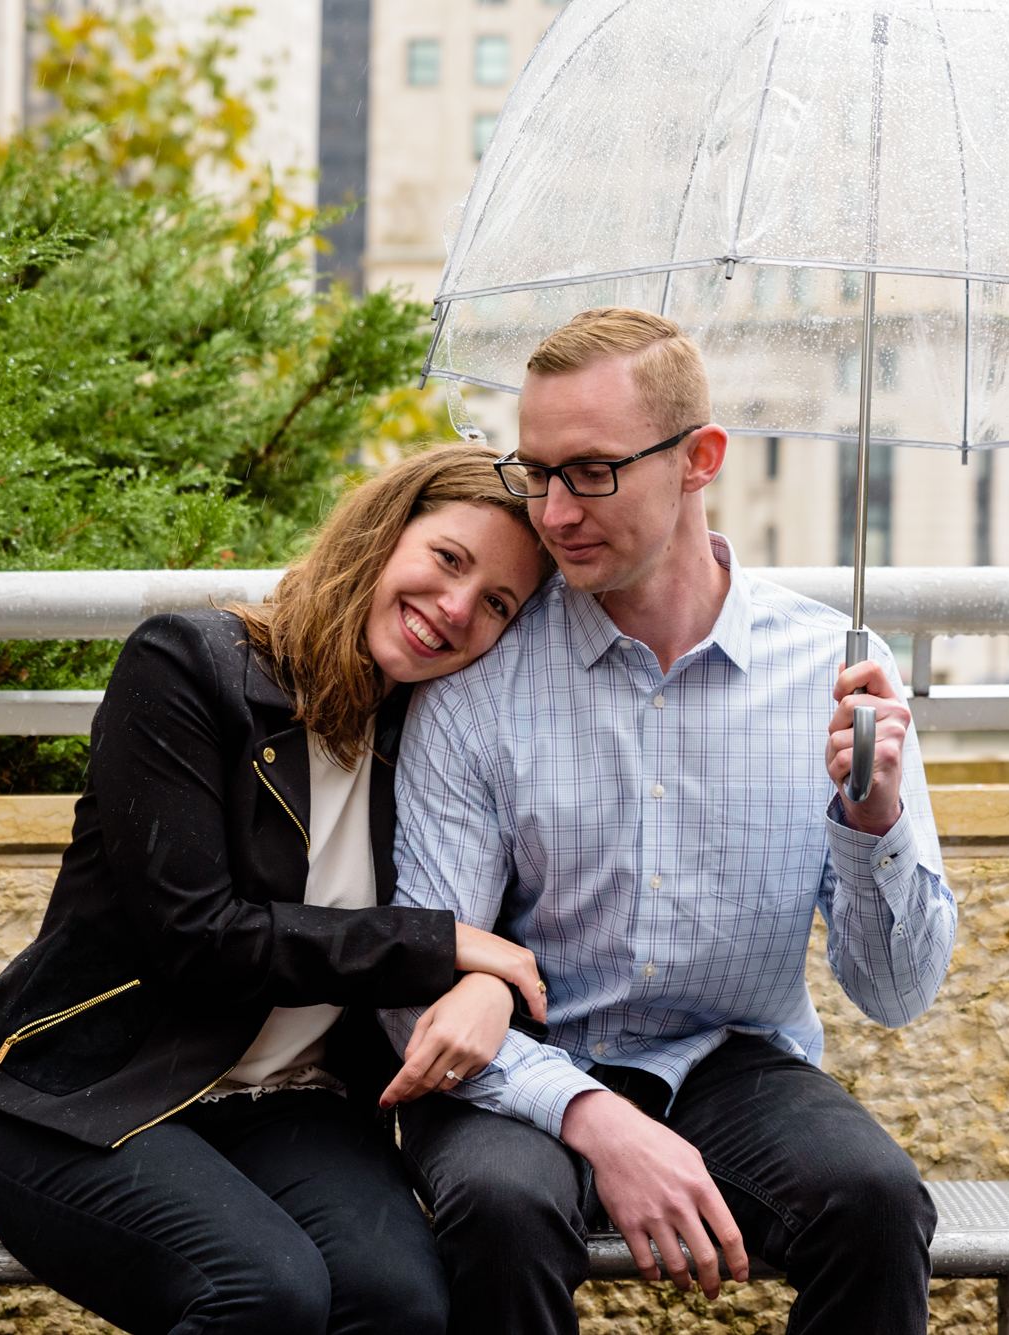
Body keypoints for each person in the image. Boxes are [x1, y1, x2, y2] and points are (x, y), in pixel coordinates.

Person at [377, 309, 959, 1335]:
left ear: (699, 459)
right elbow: (418, 981)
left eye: (592, 471)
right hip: (520, 1057)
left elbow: (893, 992)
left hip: (729, 1055)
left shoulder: (836, 673)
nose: (554, 514)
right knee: (502, 1211)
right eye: (535, 471)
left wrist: (870, 819)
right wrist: (588, 1114)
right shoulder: (478, 685)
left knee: (872, 1204)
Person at [0, 444, 556, 1335]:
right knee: (265, 1292)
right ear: (383, 533)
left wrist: (486, 974)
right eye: (448, 559)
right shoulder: (188, 667)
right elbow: (198, 939)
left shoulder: (432, 737)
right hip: (91, 1101)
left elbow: (509, 932)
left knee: (405, 1304)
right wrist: (437, 942)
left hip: (293, 1106)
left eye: (499, 603)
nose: (455, 609)